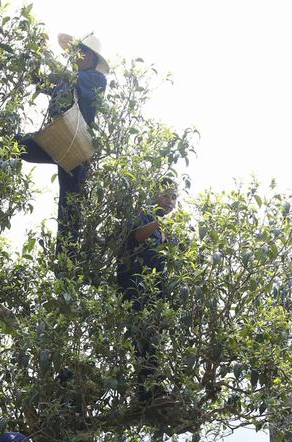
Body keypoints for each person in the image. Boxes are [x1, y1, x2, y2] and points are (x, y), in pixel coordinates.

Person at [16, 33, 109, 263]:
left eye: (82, 52)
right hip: (60, 138)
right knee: (16, 145)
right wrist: (37, 54)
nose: (78, 56)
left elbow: (71, 78)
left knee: (70, 206)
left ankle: (65, 263)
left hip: (79, 148)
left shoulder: (96, 78)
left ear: (91, 58)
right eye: (77, 51)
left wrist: (49, 58)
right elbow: (39, 80)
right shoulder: (66, 79)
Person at [116, 179, 178, 404]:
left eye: (174, 198)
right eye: (167, 195)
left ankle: (154, 388)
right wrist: (159, 223)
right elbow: (136, 236)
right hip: (135, 284)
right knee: (142, 335)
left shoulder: (169, 230)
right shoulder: (144, 215)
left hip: (156, 292)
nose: (171, 202)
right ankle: (146, 391)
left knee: (154, 337)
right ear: (154, 195)